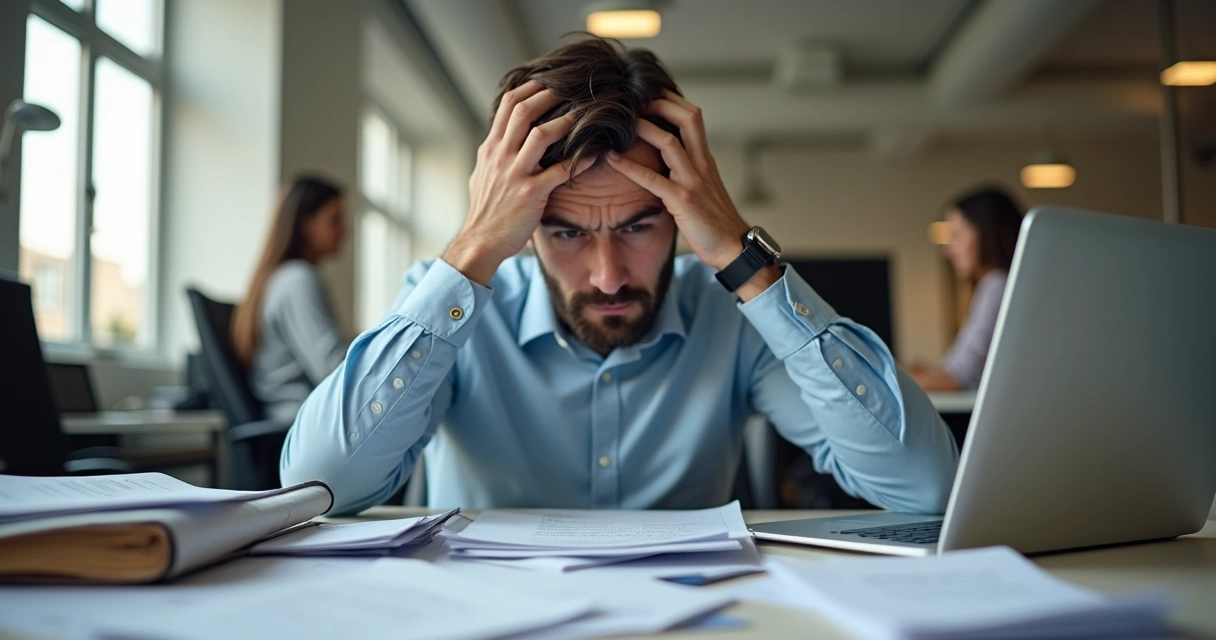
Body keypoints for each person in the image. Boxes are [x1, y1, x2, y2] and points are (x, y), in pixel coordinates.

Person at [281, 36, 958, 514]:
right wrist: (472, 248)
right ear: (521, 229)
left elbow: (922, 488)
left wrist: (740, 253)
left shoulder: (729, 316)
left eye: (638, 225)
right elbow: (317, 485)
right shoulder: (454, 310)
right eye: (565, 231)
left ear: (684, 214)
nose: (607, 278)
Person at [231, 176, 350, 422]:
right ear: (306, 224)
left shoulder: (281, 278)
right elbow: (334, 370)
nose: (345, 231)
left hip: (294, 419)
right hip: (302, 423)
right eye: (335, 220)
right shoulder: (298, 279)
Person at [910, 187, 1023, 391]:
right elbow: (957, 370)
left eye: (957, 235)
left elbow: (956, 378)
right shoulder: (998, 286)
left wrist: (881, 380)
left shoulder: (997, 286)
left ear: (986, 233)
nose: (948, 250)